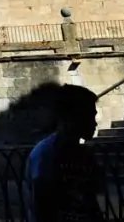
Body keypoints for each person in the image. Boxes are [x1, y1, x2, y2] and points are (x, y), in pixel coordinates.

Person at [24, 84, 103, 222]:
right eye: (89, 116)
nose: (94, 123)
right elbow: (42, 207)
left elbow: (90, 201)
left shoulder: (83, 154)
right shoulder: (46, 154)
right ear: (72, 117)